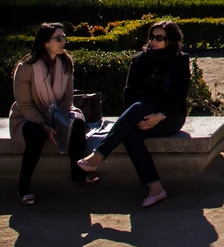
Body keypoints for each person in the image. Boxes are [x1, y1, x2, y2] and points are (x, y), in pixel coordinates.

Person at [77, 19, 191, 207]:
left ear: (170, 40)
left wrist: (160, 115)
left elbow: (179, 96)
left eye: (159, 38)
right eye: (151, 37)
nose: (153, 41)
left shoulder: (180, 60)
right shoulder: (139, 60)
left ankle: (99, 155)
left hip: (170, 116)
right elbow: (129, 94)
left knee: (138, 109)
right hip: (141, 116)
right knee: (130, 134)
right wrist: (137, 120)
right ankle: (156, 188)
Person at [11, 22, 94, 205]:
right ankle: (23, 187)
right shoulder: (25, 68)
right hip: (28, 117)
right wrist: (44, 125)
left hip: (58, 112)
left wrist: (60, 120)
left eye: (64, 37)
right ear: (45, 43)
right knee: (36, 134)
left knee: (78, 123)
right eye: (58, 38)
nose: (63, 41)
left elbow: (67, 98)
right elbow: (25, 105)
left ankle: (78, 174)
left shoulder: (66, 62)